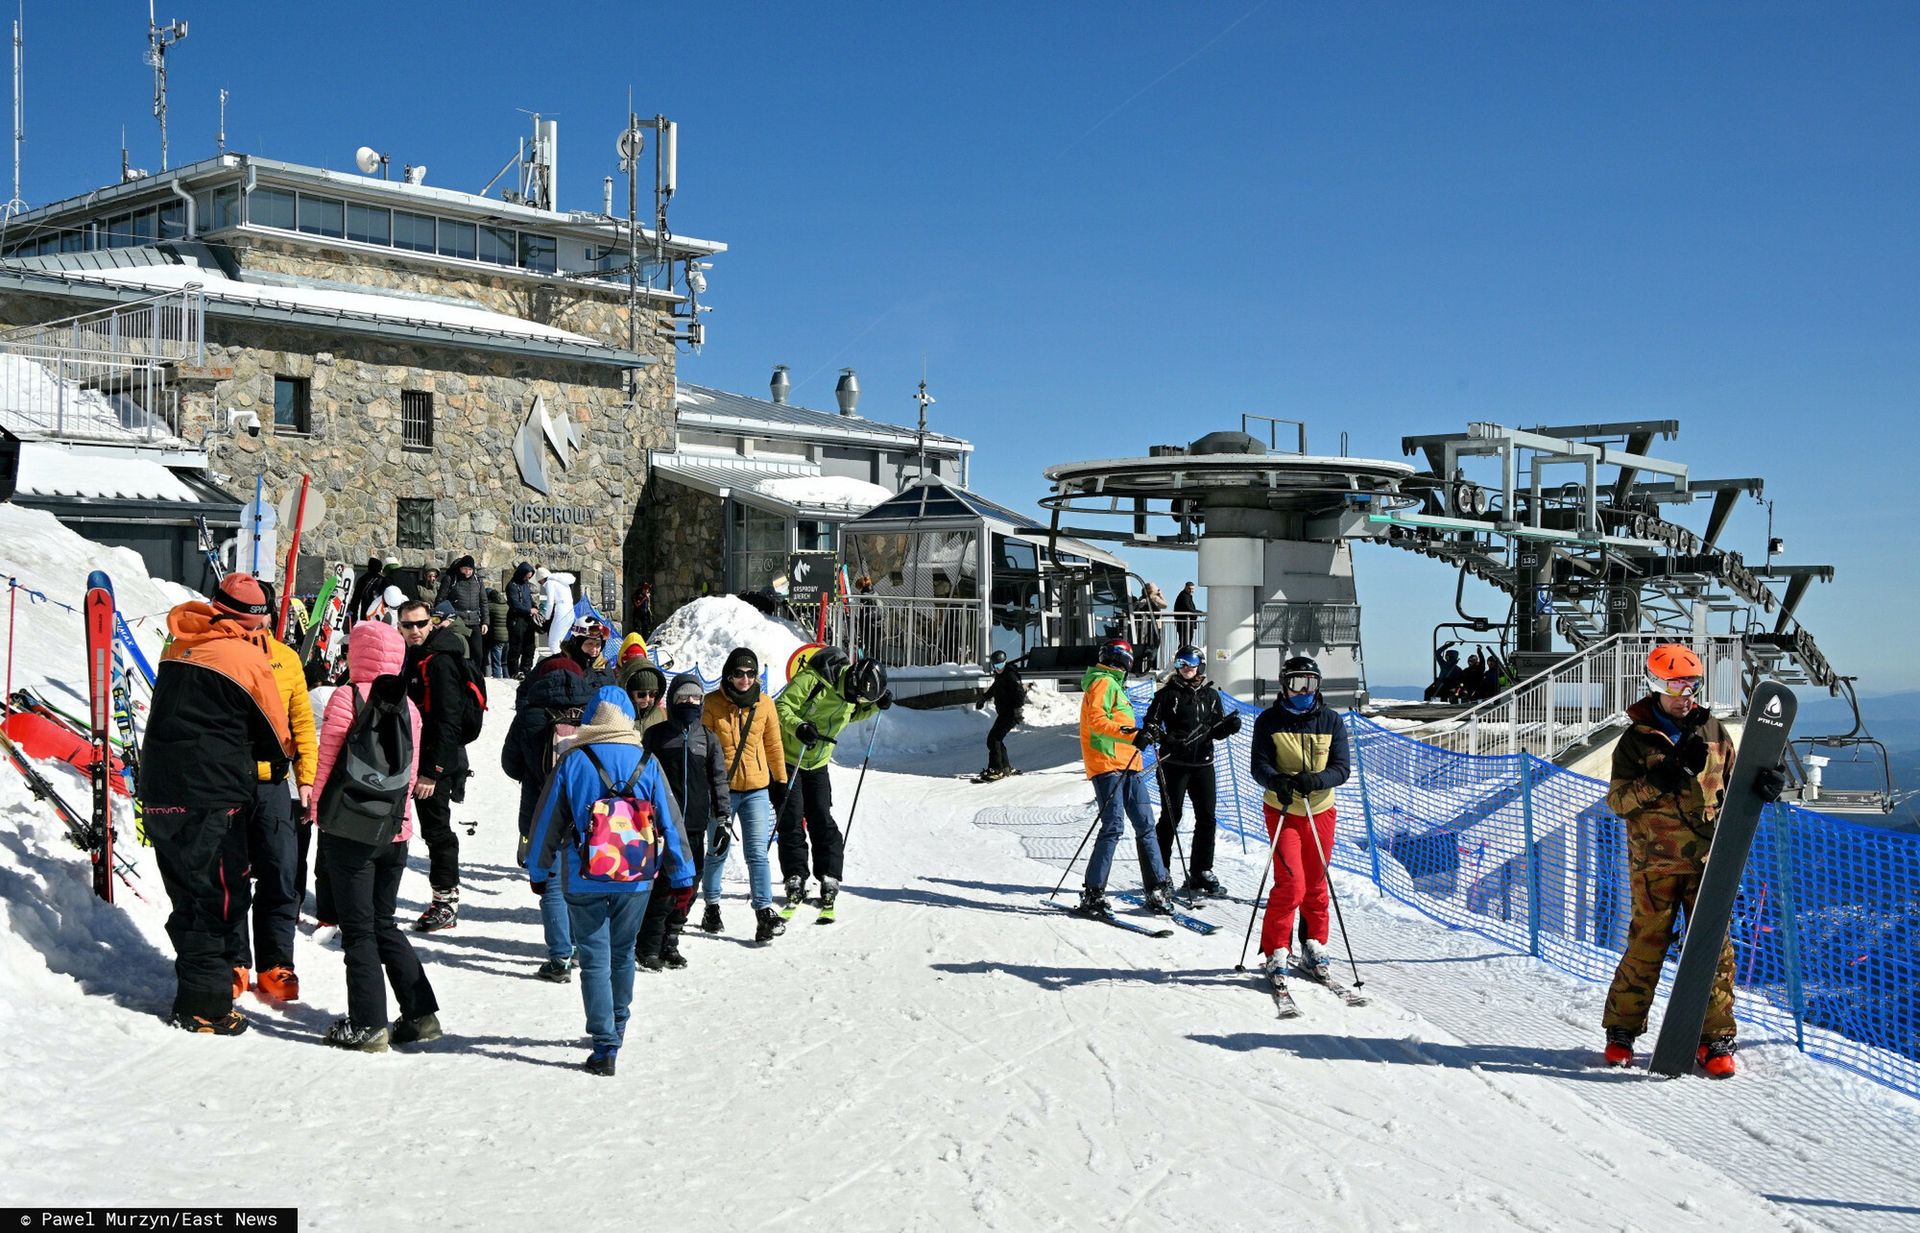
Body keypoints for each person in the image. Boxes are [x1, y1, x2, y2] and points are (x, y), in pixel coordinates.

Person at [1600, 644, 1782, 1076]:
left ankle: (1715, 1038)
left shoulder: (1714, 731)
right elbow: (1618, 802)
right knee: (1647, 945)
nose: (1685, 692)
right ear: (1655, 686)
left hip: (1708, 861)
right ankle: (1621, 1032)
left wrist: (1768, 784)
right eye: (1675, 683)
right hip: (1654, 863)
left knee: (1713, 950)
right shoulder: (1635, 741)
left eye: (1691, 683)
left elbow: (1737, 784)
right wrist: (1658, 779)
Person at [140, 573, 293, 1034]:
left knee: (186, 894)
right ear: (253, 619)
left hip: (161, 790)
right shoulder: (245, 657)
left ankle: (195, 987)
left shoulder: (177, 644)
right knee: (217, 897)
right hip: (212, 793)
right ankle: (203, 1007)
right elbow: (276, 736)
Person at [524, 686, 696, 1076]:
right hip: (637, 876)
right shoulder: (646, 760)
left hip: (584, 874)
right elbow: (670, 819)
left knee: (594, 957)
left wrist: (538, 870)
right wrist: (682, 874)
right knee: (623, 951)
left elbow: (547, 819)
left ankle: (604, 1045)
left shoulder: (573, 759)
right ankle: (618, 1023)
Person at [311, 619, 441, 1052]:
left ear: (357, 654)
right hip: (395, 831)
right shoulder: (410, 707)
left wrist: (316, 813)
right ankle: (420, 1015)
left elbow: (327, 760)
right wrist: (402, 823)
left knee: (360, 930)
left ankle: (368, 1025)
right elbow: (407, 774)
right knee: (383, 922)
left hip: (350, 830)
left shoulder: (346, 698)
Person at [233, 582, 320, 1004]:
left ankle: (274, 963)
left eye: (261, 612)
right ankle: (233, 960)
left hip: (273, 784)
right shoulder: (215, 656)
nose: (258, 621)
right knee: (228, 876)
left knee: (280, 875)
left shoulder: (285, 659)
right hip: (225, 783)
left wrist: (307, 780)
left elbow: (302, 722)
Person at [502, 635, 600, 982]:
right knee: (580, 882)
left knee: (552, 886)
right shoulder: (592, 715)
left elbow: (510, 764)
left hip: (540, 810)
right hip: (584, 811)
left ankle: (559, 958)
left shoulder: (530, 714)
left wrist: (534, 771)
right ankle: (578, 946)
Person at [1248, 655, 1351, 986]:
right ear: (1284, 685)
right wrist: (1277, 782)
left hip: (1320, 809)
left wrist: (1317, 781)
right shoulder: (1269, 721)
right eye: (1297, 683)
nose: (1303, 690)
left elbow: (1341, 768)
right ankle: (1277, 948)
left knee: (1317, 883)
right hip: (1284, 810)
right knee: (1291, 883)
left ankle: (1313, 944)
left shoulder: (1331, 721)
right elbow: (1259, 766)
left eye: (1310, 683)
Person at [773, 648, 890, 916]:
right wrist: (799, 726)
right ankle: (795, 875)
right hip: (790, 757)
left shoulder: (853, 695)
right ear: (852, 680)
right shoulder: (813, 679)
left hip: (818, 763)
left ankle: (829, 874)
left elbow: (852, 715)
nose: (857, 700)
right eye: (859, 696)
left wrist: (874, 706)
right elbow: (781, 707)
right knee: (790, 820)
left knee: (821, 818)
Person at [1074, 638, 1173, 919]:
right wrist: (1134, 734)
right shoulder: (1103, 683)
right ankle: (1094, 893)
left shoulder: (1115, 685)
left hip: (1128, 764)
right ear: (1124, 660)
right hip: (1107, 764)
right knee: (1114, 826)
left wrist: (1145, 735)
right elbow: (1098, 723)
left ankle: (1156, 887)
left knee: (1145, 825)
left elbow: (1122, 726)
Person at [637, 672, 729, 971]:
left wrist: (723, 817)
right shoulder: (657, 735)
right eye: (683, 697)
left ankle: (671, 940)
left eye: (695, 698)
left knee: (690, 885)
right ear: (673, 700)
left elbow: (718, 780)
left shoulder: (708, 738)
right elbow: (642, 775)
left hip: (695, 825)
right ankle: (648, 945)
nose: (690, 702)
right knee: (664, 886)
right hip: (663, 825)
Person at [398, 600, 480, 932]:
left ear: (432, 623)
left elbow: (448, 722)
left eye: (420, 624)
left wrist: (433, 770)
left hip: (436, 762)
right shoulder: (413, 657)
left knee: (436, 830)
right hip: (414, 757)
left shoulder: (441, 662)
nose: (414, 630)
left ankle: (445, 902)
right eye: (408, 625)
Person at [700, 646, 788, 942]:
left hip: (756, 790)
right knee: (717, 851)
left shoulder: (764, 705)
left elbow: (774, 745)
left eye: (751, 673)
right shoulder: (711, 703)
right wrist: (706, 786)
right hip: (721, 790)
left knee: (757, 854)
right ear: (728, 674)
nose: (745, 679)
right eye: (739, 673)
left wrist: (781, 780)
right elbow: (705, 749)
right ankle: (712, 905)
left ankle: (764, 911)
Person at [1143, 644, 1241, 898]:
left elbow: (1215, 730)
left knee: (1207, 818)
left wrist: (1228, 727)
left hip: (1203, 766)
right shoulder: (1167, 695)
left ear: (1200, 665)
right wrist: (1166, 739)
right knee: (1171, 818)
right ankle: (1160, 871)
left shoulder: (1211, 696)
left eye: (1191, 663)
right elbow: (1151, 724)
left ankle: (1200, 871)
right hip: (1174, 765)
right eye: (1180, 663)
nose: (1186, 668)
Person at [975, 651, 1024, 781]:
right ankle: (1005, 767)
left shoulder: (1010, 675)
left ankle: (996, 769)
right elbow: (995, 688)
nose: (998, 668)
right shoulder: (1000, 676)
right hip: (1004, 713)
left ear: (1005, 662)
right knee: (997, 739)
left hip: (1011, 713)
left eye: (1000, 665)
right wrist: (984, 698)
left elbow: (1020, 692)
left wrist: (1018, 709)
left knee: (993, 739)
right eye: (995, 666)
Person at [617, 653, 669, 738]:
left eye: (652, 693)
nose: (647, 699)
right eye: (641, 694)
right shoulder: (616, 716)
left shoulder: (661, 715)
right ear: (629, 693)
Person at [505, 562, 538, 679]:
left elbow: (529, 599)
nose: (528, 578)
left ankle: (526, 669)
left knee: (529, 646)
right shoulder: (512, 586)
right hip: (516, 619)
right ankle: (514, 671)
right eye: (527, 576)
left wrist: (535, 607)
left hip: (528, 620)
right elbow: (515, 604)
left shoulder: (525, 586)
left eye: (529, 576)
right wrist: (530, 610)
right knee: (516, 646)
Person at [345, 556, 394, 629]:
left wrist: (353, 616)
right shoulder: (384, 580)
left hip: (364, 612)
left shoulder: (362, 579)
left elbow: (355, 599)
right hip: (378, 612)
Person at [540, 568, 576, 657]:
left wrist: (546, 617)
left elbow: (550, 603)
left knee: (553, 642)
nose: (540, 584)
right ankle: (564, 659)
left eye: (539, 582)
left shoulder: (549, 583)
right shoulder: (562, 582)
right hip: (570, 610)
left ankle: (559, 662)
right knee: (560, 641)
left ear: (541, 578)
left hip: (561, 610)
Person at [1135, 583, 1168, 673]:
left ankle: (1139, 667)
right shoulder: (1154, 598)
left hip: (1143, 627)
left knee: (1143, 646)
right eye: (1156, 587)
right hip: (1154, 626)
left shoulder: (1142, 598)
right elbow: (1165, 605)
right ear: (1151, 590)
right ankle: (1152, 666)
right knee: (1154, 646)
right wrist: (1161, 595)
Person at [486, 587, 510, 679]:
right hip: (507, 636)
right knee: (505, 662)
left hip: (497, 637)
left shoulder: (490, 606)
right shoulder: (507, 605)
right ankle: (507, 679)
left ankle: (497, 680)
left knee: (496, 663)